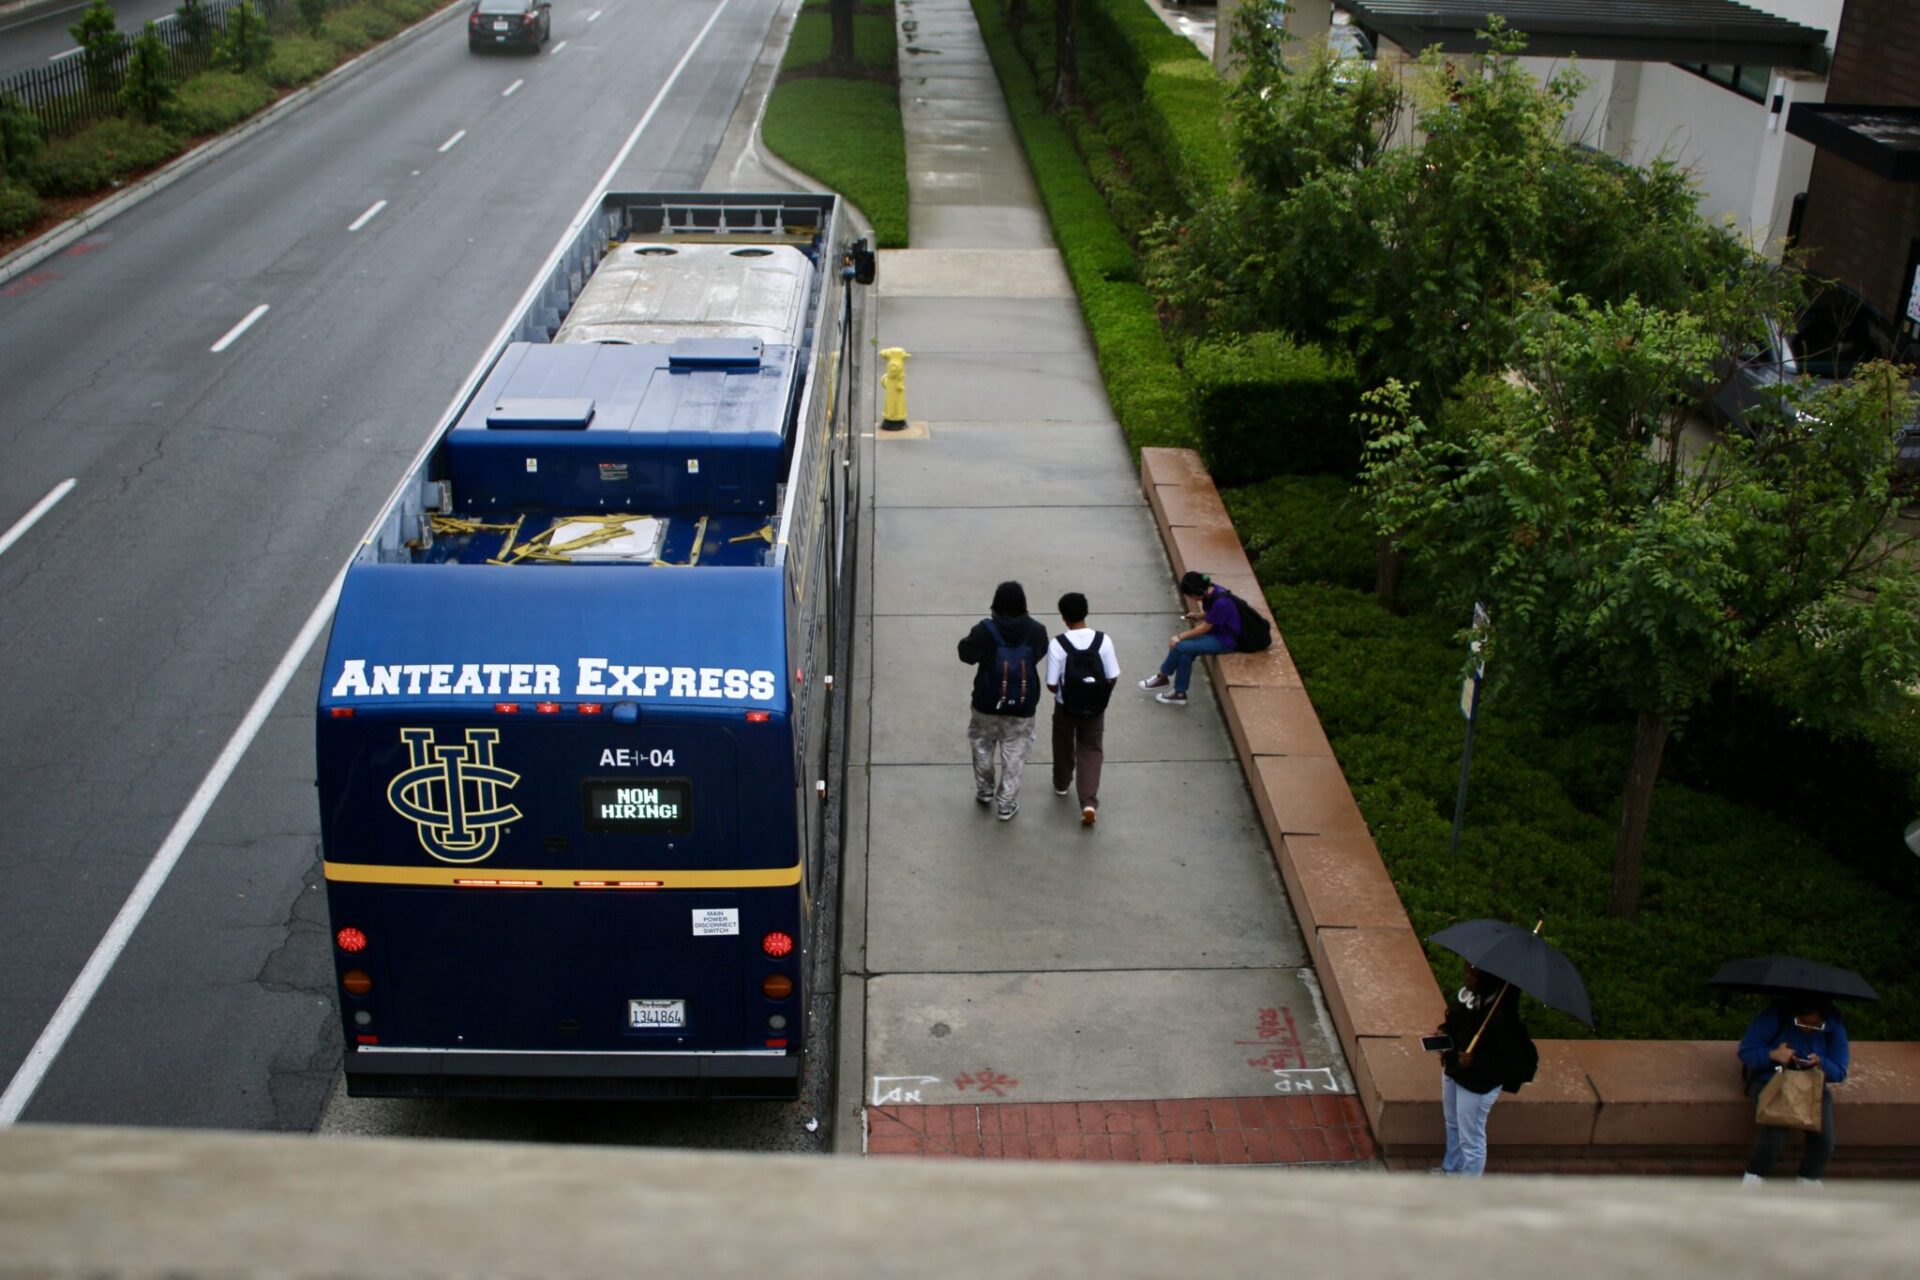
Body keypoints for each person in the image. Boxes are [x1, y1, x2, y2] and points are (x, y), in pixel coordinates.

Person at [957, 581, 1049, 821]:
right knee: (1015, 753)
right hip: (1022, 705)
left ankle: (985, 790)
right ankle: (1006, 804)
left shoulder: (984, 630)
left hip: (986, 702)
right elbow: (1039, 654)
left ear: (996, 603)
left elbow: (965, 655)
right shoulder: (1037, 630)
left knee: (981, 744)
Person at [1435, 962, 1537, 1177]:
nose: (1466, 978)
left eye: (1473, 975)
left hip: (1478, 1084)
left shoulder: (1502, 1019)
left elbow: (1508, 1062)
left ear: (1487, 980)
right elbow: (1456, 1025)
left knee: (1470, 1140)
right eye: (1465, 972)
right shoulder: (1472, 1000)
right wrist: (1443, 1033)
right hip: (1455, 1070)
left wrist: (1475, 1061)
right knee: (1452, 1123)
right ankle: (1450, 1170)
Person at [1737, 998, 1848, 1185]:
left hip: (1811, 1083)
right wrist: (1773, 1054)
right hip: (1772, 1079)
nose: (1809, 1028)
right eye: (1802, 1022)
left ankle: (1809, 1178)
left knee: (1824, 1138)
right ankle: (1754, 1178)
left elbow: (1840, 1071)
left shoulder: (1834, 1028)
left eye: (1816, 1025)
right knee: (1776, 1129)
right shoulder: (1775, 1017)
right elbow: (1746, 1051)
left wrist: (1822, 1062)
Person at [1044, 592, 1120, 828]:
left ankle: (1061, 782)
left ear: (1064, 617)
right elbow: (1112, 675)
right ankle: (1088, 802)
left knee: (1063, 743)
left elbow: (1051, 684)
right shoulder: (1103, 640)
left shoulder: (1058, 644)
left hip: (1066, 707)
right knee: (1091, 749)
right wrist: (1100, 696)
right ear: (1086, 612)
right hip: (1095, 708)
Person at [1139, 571, 1240, 707]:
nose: (1191, 598)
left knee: (1181, 646)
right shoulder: (1211, 591)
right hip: (1218, 632)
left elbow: (1205, 628)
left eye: (1190, 596)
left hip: (1225, 641)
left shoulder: (1221, 602)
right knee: (1185, 653)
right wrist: (1199, 615)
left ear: (1197, 592)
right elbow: (1212, 615)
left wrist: (1179, 637)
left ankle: (1163, 676)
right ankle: (1179, 694)